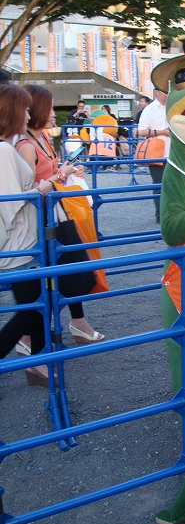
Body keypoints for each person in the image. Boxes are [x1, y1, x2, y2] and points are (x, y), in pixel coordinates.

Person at [15, 84, 105, 352]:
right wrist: (61, 175)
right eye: (50, 108)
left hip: (57, 213)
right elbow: (28, 191)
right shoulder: (25, 145)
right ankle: (31, 337)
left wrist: (69, 171)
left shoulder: (42, 137)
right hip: (42, 219)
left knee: (71, 269)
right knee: (62, 273)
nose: (54, 114)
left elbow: (51, 173)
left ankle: (73, 325)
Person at [0, 83, 56, 386]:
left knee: (36, 306)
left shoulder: (7, 148)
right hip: (18, 245)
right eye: (23, 109)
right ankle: (37, 364)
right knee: (32, 308)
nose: (27, 114)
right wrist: (43, 187)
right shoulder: (4, 151)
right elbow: (11, 202)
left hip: (21, 243)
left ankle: (38, 364)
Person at [137, 87, 170, 223]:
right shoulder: (150, 109)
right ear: (156, 92)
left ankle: (170, 214)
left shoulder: (172, 107)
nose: (168, 93)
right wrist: (161, 132)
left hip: (172, 153)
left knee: (173, 185)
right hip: (157, 153)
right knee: (158, 186)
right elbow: (141, 131)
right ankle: (160, 216)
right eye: (165, 91)